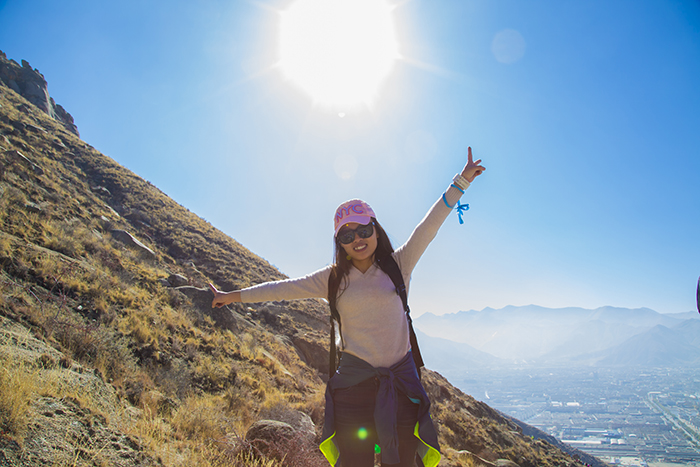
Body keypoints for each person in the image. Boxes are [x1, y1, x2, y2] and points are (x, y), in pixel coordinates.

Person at [210, 147, 485, 467]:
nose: (357, 239)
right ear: (339, 242)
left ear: (376, 230)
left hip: (400, 383)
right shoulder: (332, 278)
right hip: (355, 386)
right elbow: (282, 289)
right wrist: (232, 296)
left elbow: (430, 225)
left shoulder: (399, 264)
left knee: (404, 460)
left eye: (364, 230)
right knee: (355, 461)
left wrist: (461, 181)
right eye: (347, 235)